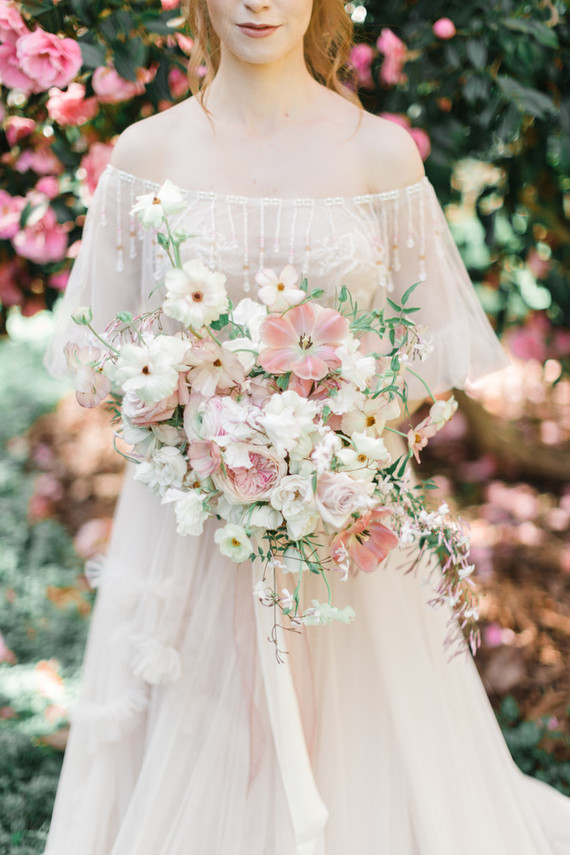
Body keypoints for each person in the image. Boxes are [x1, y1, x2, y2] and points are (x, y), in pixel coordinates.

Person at [43, 1, 570, 853]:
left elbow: (431, 350)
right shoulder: (148, 153)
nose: (260, 5)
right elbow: (105, 351)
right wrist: (207, 439)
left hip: (344, 513)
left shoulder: (378, 152)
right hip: (193, 519)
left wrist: (334, 450)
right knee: (204, 718)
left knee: (358, 730)